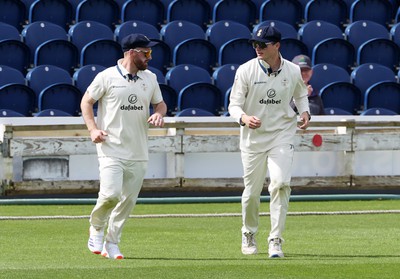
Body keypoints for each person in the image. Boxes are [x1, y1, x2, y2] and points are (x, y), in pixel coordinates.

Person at [81, 33, 167, 260]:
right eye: (146, 52)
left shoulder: (150, 78)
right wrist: (93, 129)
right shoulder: (106, 76)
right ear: (131, 52)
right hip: (111, 148)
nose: (150, 56)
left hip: (138, 150)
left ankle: (112, 241)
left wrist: (158, 114)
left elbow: (160, 104)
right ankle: (96, 228)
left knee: (128, 201)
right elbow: (86, 102)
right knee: (110, 195)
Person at [228, 25, 310, 258]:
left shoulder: (293, 70)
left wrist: (304, 112)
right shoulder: (246, 70)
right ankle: (249, 232)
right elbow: (233, 104)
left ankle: (275, 240)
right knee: (252, 192)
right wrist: (243, 117)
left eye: (262, 45)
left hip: (282, 134)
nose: (257, 48)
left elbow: (300, 94)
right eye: (255, 44)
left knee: (280, 184)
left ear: (277, 46)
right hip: (253, 138)